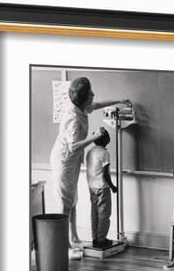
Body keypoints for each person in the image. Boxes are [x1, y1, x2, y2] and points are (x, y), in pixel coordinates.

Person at [49, 77, 130, 253]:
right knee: (64, 202)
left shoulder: (82, 108)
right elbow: (72, 146)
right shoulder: (73, 118)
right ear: (84, 97)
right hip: (64, 160)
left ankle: (74, 237)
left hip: (73, 160)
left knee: (73, 199)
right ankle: (65, 246)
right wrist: (94, 137)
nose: (93, 94)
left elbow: (99, 104)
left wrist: (120, 100)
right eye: (90, 93)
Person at [85, 127, 118, 249]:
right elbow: (105, 174)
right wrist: (113, 186)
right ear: (105, 139)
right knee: (104, 214)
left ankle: (95, 238)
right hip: (102, 187)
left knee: (94, 213)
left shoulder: (90, 152)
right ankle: (102, 239)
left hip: (92, 187)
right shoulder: (104, 153)